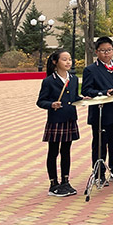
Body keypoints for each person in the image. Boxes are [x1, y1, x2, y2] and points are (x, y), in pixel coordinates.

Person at [82, 37, 113, 184]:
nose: (106, 54)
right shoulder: (91, 69)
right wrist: (103, 92)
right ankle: (99, 174)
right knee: (100, 145)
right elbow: (86, 90)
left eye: (109, 50)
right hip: (101, 113)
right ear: (97, 52)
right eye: (103, 51)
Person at [37, 49, 81, 197]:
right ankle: (53, 184)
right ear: (55, 62)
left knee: (66, 151)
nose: (68, 62)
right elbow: (40, 101)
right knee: (53, 151)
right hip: (56, 120)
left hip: (70, 118)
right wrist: (51, 105)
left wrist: (83, 98)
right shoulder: (49, 81)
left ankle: (65, 181)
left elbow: (74, 96)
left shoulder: (73, 79)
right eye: (64, 59)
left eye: (69, 59)